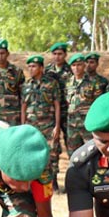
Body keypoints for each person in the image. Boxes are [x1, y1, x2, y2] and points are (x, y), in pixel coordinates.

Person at [21, 55, 61, 185]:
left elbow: (57, 104)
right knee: (31, 151)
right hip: (31, 125)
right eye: (29, 67)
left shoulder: (52, 83)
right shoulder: (26, 85)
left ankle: (53, 181)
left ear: (41, 68)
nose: (31, 69)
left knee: (52, 152)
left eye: (34, 66)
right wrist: (23, 126)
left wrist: (57, 126)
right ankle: (33, 180)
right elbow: (23, 106)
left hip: (48, 124)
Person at [65, 53, 100, 157]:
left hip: (87, 124)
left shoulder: (93, 82)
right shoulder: (68, 82)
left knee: (91, 152)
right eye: (73, 65)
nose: (76, 68)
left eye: (79, 65)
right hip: (72, 125)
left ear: (84, 65)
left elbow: (97, 104)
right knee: (73, 154)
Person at [0, 39, 25, 126]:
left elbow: (22, 95)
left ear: (7, 54)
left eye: (2, 53)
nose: (0, 56)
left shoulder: (17, 72)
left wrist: (23, 117)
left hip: (13, 116)